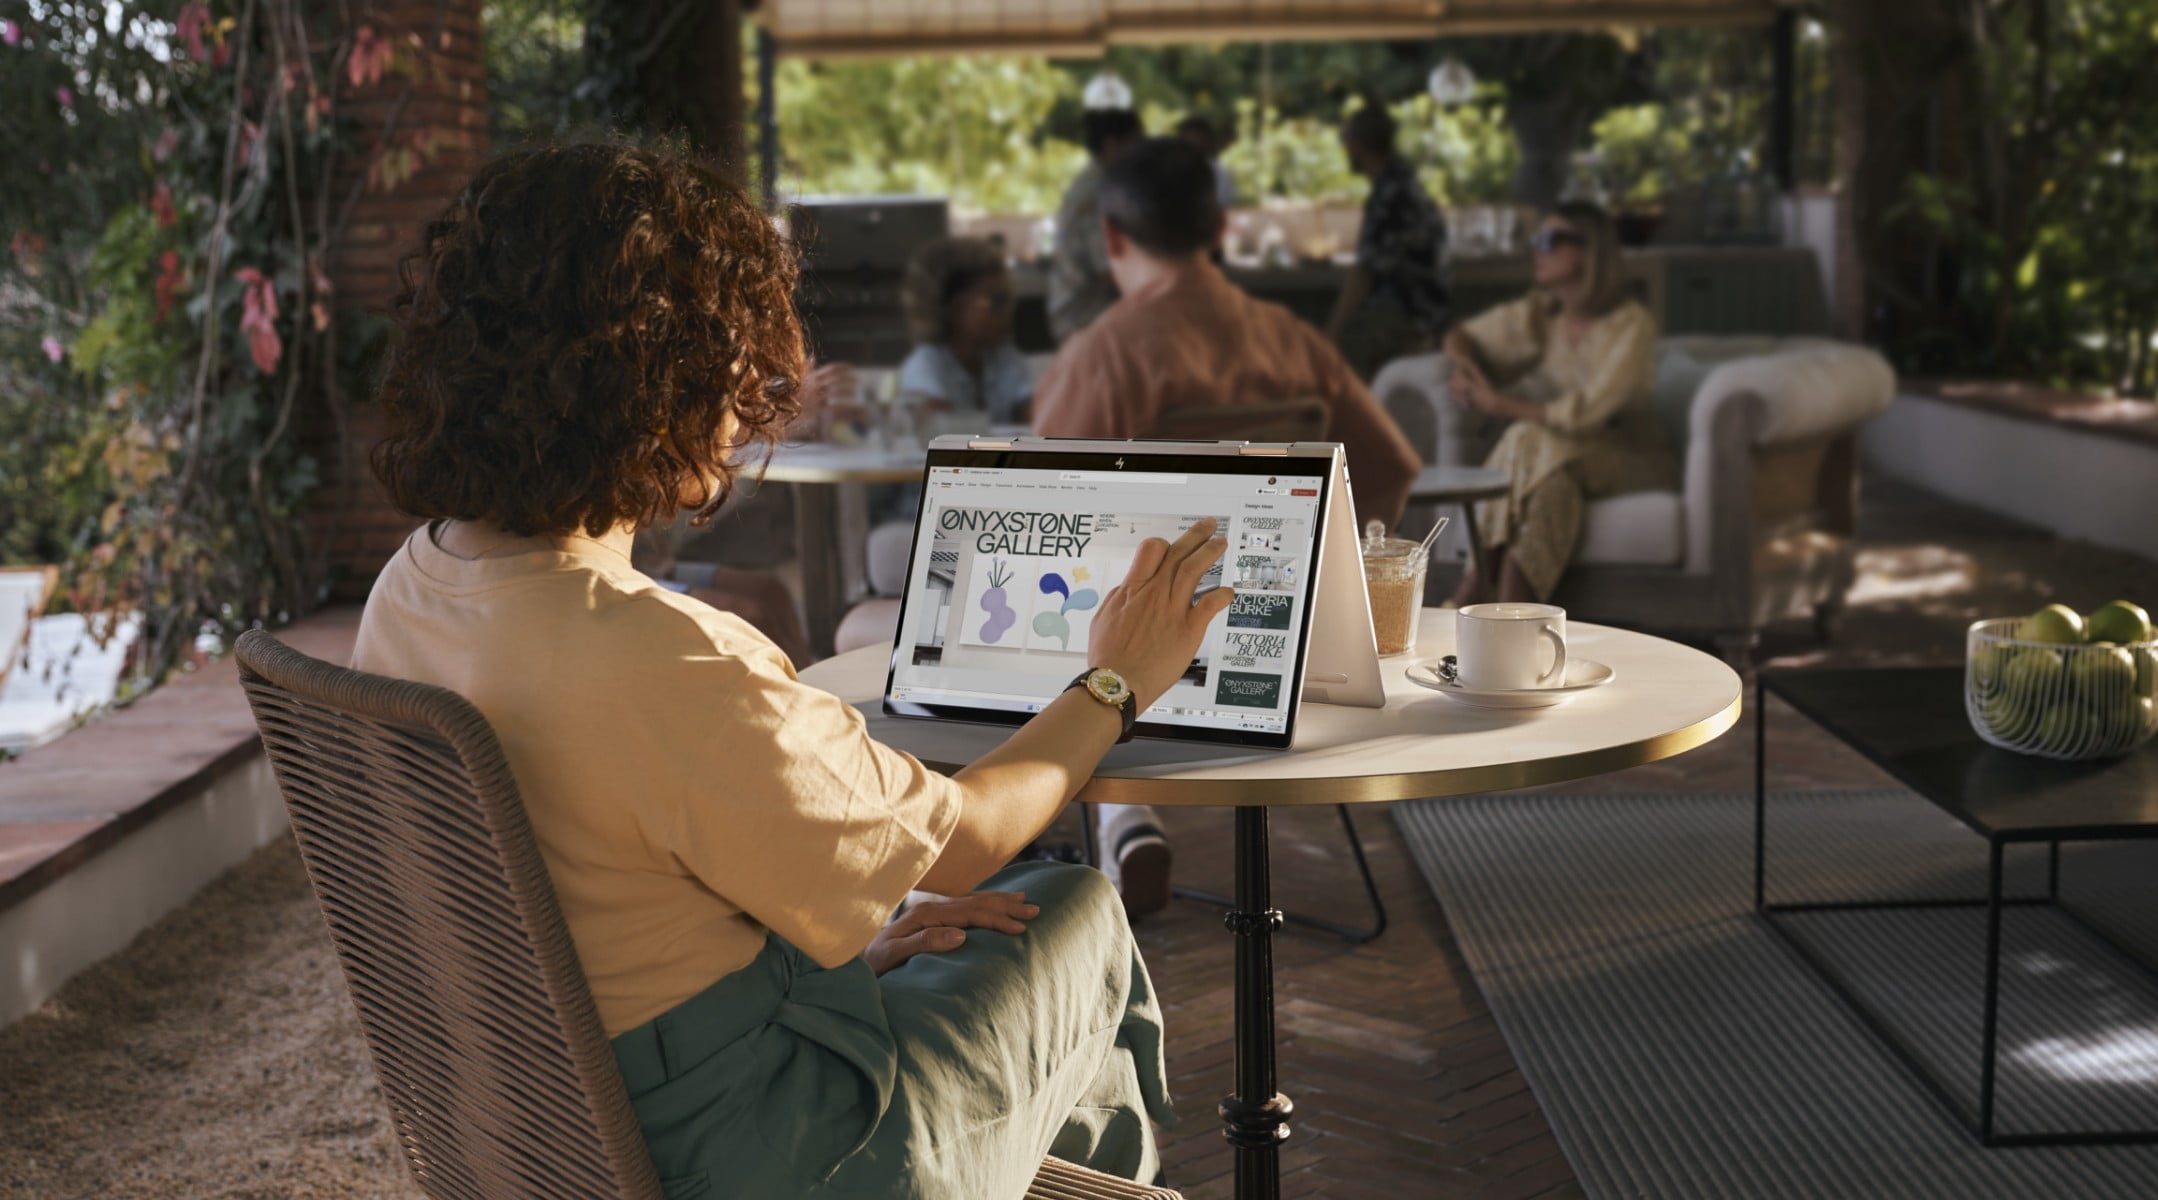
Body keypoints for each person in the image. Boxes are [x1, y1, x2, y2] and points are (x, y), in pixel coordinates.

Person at [353, 142, 1232, 1198]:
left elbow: (603, 883)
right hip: (766, 1155)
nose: (748, 400)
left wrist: (804, 968)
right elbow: (963, 842)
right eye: (733, 364)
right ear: (655, 375)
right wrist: (1117, 680)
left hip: (556, 1115)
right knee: (1077, 911)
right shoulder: (664, 660)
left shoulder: (415, 583)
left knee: (961, 937)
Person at [1033, 136, 1421, 916]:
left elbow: (1051, 513)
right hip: (1271, 651)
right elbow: (1393, 467)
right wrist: (1318, 585)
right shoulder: (1292, 342)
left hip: (1138, 658)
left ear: (1111, 237)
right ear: (1220, 230)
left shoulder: (1103, 354)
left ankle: (1098, 815)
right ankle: (1121, 813)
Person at [1444, 201, 1673, 605]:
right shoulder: (1542, 312)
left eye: (1549, 240)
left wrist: (1498, 404)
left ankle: (1473, 587)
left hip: (1628, 457)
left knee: (1527, 437)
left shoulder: (1631, 325)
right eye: (1536, 240)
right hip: (1558, 458)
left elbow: (1588, 413)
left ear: (1589, 251)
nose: (1537, 250)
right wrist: (1464, 368)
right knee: (1552, 483)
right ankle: (1514, 612)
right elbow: (1461, 336)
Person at [1324, 104, 1449, 380]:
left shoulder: (1388, 194)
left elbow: (1363, 274)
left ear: (1358, 146)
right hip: (1429, 307)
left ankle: (1362, 419)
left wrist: (1330, 334)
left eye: (1347, 144)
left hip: (1409, 310)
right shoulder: (1404, 181)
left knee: (1337, 358)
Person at [896, 236, 1032, 425]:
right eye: (997, 302)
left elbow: (1040, 420)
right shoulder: (925, 365)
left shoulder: (1004, 358)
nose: (1008, 312)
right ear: (955, 309)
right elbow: (943, 432)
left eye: (1009, 300)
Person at [1049, 107, 1143, 342]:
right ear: (1112, 144)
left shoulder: (1104, 184)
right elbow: (1108, 270)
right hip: (1084, 318)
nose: (1142, 152)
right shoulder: (1098, 193)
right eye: (1137, 142)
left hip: (1092, 315)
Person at [1175, 114, 1239, 213]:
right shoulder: (1173, 171)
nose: (1194, 146)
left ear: (1207, 141)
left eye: (1198, 140)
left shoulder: (1220, 172)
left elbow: (1225, 203)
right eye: (1188, 141)